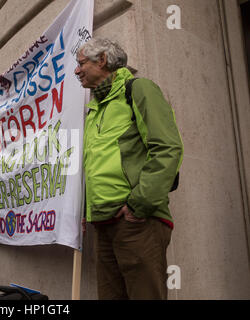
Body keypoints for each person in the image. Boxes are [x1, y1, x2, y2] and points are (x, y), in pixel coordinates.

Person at [75, 38, 183, 300]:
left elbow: (168, 148)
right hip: (103, 223)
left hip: (137, 222)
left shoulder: (138, 89)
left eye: (81, 64)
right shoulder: (94, 109)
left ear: (101, 60)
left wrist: (139, 204)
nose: (76, 71)